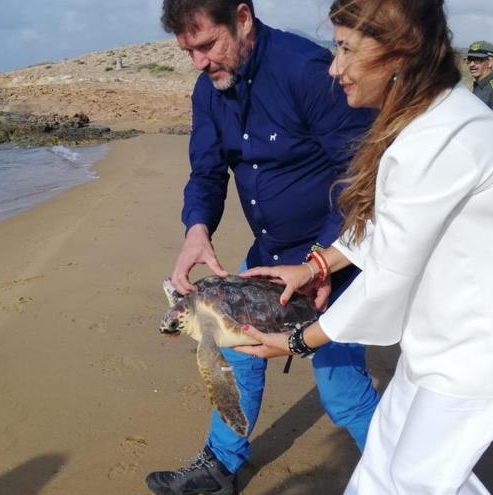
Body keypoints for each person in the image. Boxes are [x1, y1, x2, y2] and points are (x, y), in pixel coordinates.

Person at [235, 0, 493, 493]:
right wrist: (317, 265)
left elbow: (387, 280)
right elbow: (388, 226)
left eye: (346, 49)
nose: (335, 68)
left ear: (399, 55)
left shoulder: (442, 137)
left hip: (488, 346)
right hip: (443, 334)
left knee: (418, 478)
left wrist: (294, 342)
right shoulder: (421, 120)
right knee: (384, 463)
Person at [147, 1, 381, 494]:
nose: (199, 62)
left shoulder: (306, 71)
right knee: (239, 357)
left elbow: (362, 172)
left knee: (341, 392)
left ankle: (408, 474)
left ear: (243, 18)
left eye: (207, 45)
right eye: (188, 51)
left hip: (334, 254)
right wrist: (197, 228)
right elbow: (207, 172)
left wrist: (322, 261)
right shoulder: (208, 90)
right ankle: (220, 465)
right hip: (268, 255)